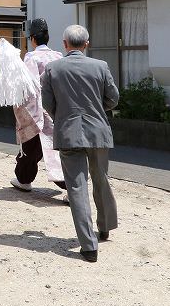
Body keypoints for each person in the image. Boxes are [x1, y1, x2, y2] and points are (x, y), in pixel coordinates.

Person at [41, 25, 119, 263]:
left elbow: (47, 103)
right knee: (101, 179)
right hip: (98, 130)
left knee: (76, 187)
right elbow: (113, 99)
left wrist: (63, 116)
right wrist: (96, 110)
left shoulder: (52, 69)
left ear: (64, 44)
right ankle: (104, 226)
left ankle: (88, 245)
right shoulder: (101, 66)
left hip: (68, 132)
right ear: (87, 43)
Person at [9, 18, 67, 199]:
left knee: (31, 148)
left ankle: (26, 180)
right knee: (57, 149)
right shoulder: (58, 56)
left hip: (37, 110)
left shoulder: (31, 58)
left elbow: (27, 86)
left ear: (32, 39)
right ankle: (70, 185)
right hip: (58, 109)